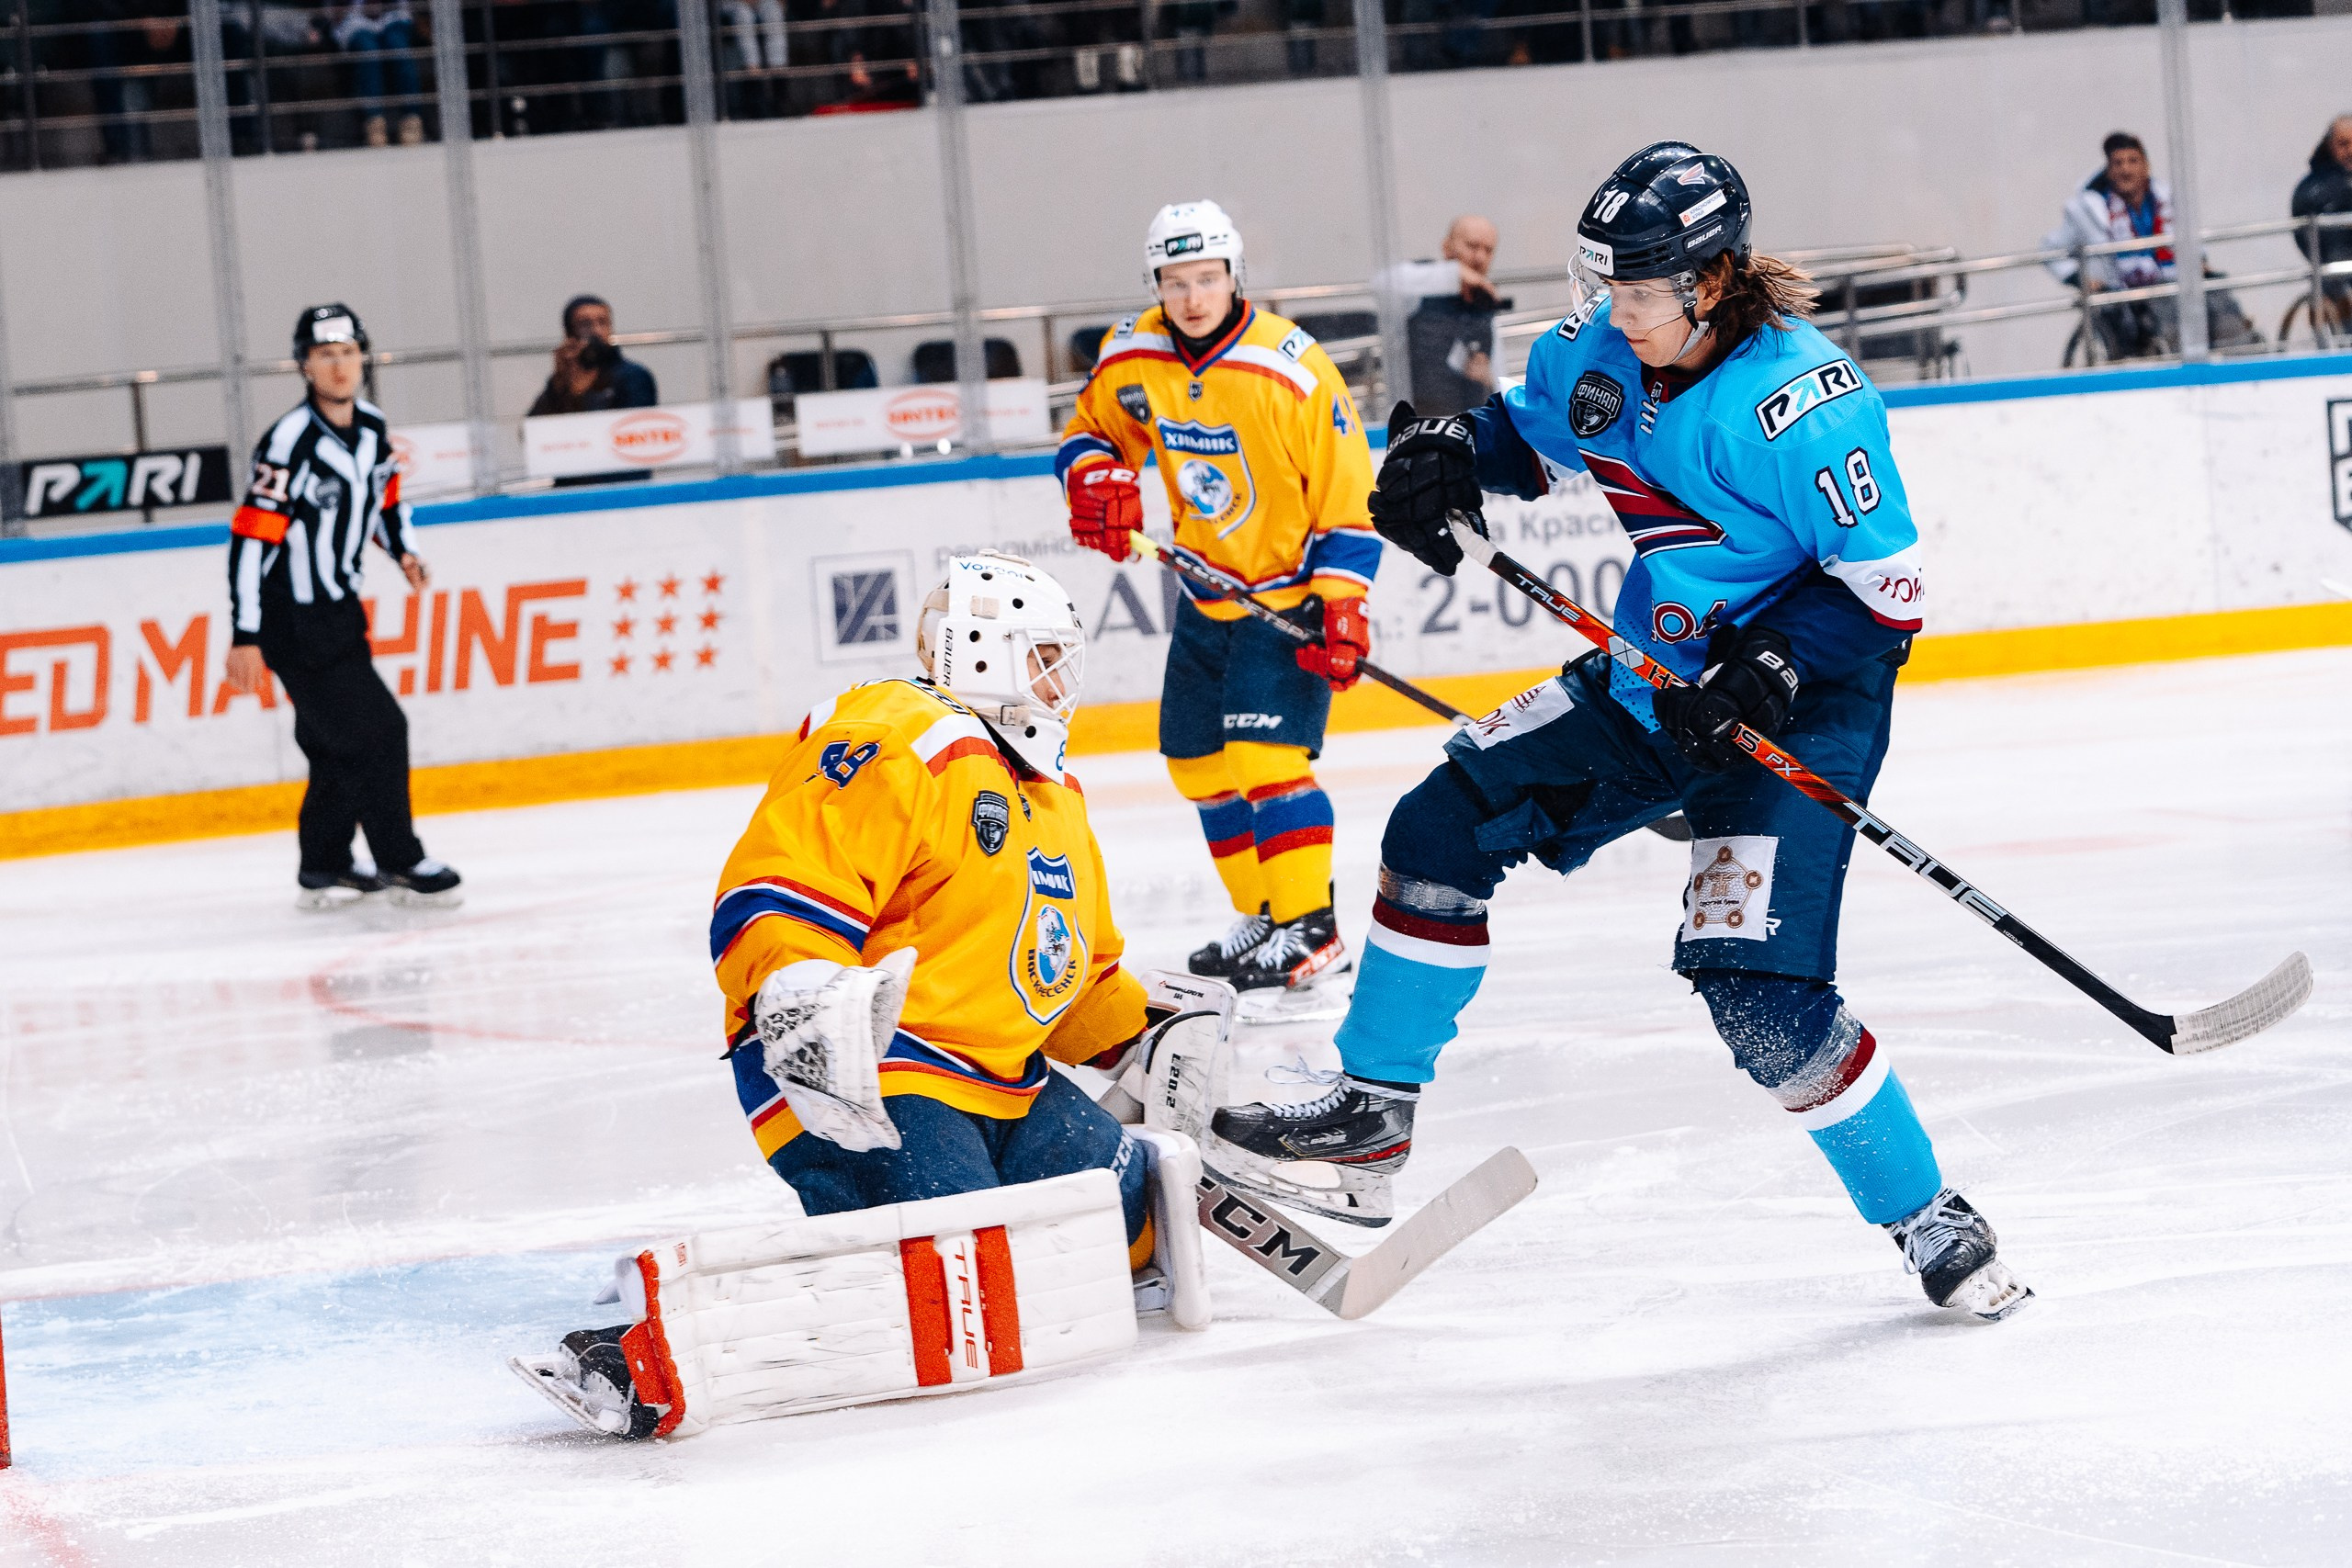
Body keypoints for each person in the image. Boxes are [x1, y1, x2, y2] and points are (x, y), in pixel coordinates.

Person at [1212, 142, 2030, 1325]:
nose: (1617, 315)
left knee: (1761, 998)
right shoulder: (1599, 346)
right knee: (1439, 826)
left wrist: (1769, 667)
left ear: (1709, 281)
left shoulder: (1803, 403)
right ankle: (1369, 1119)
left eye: (1641, 294)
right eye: (1609, 290)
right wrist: (1447, 458)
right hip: (1651, 680)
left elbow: (1886, 595)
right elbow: (1529, 436)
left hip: (1798, 706)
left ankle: (1926, 1215)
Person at [516, 553, 1208, 1438]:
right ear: (982, 653)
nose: (1060, 678)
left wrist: (1146, 1035)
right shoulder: (902, 733)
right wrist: (802, 989)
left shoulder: (1056, 794)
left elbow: (1068, 974)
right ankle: (647, 1347)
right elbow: (777, 886)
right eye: (1040, 654)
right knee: (953, 1278)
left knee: (1127, 1213)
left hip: (1003, 1078)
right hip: (873, 1066)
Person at [1056, 200, 1380, 1009]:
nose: (1193, 296)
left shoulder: (1292, 368)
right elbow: (1091, 430)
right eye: (1176, 281)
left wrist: (1340, 605)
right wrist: (1095, 471)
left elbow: (1349, 496)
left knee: (1268, 765)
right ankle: (1263, 915)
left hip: (1288, 597)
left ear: (1235, 276)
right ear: (1156, 284)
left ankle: (1313, 929)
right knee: (1197, 765)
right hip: (1206, 594)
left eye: (1207, 278)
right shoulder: (1133, 355)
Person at [224, 304, 463, 910]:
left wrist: (404, 553)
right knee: (382, 730)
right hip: (291, 621)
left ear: (363, 357)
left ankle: (324, 864)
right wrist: (245, 633)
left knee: (334, 742)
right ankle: (400, 858)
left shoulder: (374, 427)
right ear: (305, 365)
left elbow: (383, 504)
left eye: (349, 352)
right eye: (325, 355)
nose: (339, 366)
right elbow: (251, 541)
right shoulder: (289, 441)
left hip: (339, 611)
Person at [2044, 131, 2178, 361]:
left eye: (2133, 161)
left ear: (2145, 166)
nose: (2126, 170)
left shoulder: (2165, 201)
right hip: (2116, 295)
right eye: (2118, 163)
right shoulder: (2086, 209)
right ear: (2109, 171)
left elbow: (2186, 239)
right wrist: (2079, 278)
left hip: (2167, 284)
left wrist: (2200, 262)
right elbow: (2050, 249)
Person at [1376, 215, 1505, 419]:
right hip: (1418, 423)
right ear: (1447, 247)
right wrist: (1454, 274)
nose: (1480, 258)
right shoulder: (1420, 289)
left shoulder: (1484, 310)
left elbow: (1500, 379)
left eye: (1488, 250)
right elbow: (1382, 283)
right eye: (1472, 246)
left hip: (1468, 426)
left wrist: (1487, 378)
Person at [527, 294, 661, 486]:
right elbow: (532, 437)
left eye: (603, 322)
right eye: (585, 324)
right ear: (569, 334)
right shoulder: (563, 380)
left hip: (623, 488)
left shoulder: (633, 375)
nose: (596, 331)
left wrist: (582, 396)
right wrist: (559, 385)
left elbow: (630, 440)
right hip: (572, 491)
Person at [2290, 114, 2352, 335]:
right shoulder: (2314, 187)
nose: (2350, 151)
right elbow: (2304, 234)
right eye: (2343, 144)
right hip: (2337, 271)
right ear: (2330, 146)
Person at [334, 2, 425, 148]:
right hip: (356, 18)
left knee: (398, 48)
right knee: (369, 54)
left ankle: (411, 119)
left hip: (394, 15)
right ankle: (374, 122)